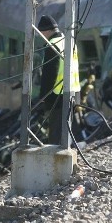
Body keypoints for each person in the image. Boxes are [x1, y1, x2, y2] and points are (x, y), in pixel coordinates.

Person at [35, 15, 80, 146]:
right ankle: (69, 157)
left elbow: (50, 74)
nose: (41, 36)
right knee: (68, 132)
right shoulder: (69, 42)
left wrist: (44, 99)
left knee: (56, 136)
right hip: (73, 92)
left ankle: (58, 161)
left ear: (47, 31)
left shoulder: (53, 45)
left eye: (41, 33)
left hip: (57, 96)